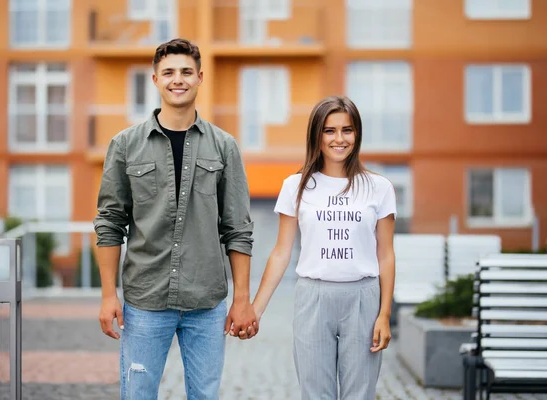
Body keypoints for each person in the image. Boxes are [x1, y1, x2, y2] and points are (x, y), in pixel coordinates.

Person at [93, 38, 258, 400]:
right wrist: (108, 295)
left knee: (204, 396)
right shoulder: (125, 145)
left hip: (207, 303)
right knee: (138, 395)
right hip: (145, 301)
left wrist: (241, 299)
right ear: (155, 79)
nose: (177, 79)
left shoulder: (224, 146)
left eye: (186, 72)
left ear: (200, 77)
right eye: (168, 72)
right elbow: (109, 223)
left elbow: (238, 229)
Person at [251, 96, 396, 399]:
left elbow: (386, 254)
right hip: (313, 298)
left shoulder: (379, 187)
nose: (339, 139)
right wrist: (256, 309)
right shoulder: (297, 186)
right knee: (315, 393)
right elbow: (281, 251)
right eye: (329, 131)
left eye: (348, 130)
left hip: (363, 299)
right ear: (316, 135)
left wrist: (384, 314)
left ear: (357, 134)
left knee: (360, 393)